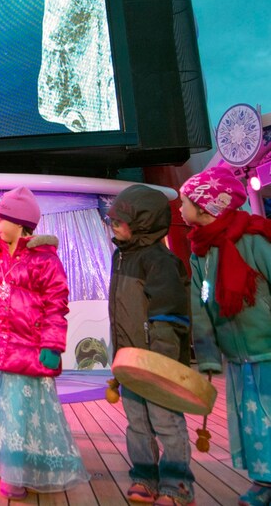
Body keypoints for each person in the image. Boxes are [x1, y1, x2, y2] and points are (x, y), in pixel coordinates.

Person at [0, 186, 88, 499]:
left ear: (21, 223)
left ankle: (19, 471)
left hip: (26, 350)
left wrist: (52, 346)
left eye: (1, 221)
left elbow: (57, 307)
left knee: (19, 411)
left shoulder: (45, 262)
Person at [179, 167, 271, 506]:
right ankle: (264, 481)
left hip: (268, 350)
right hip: (237, 356)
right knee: (252, 421)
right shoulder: (200, 253)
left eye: (185, 201)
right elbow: (201, 304)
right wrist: (206, 353)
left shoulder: (255, 238)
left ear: (205, 207)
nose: (180, 208)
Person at [107, 184, 195, 505]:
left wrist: (162, 365)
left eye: (120, 221)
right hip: (131, 363)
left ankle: (177, 484)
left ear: (143, 222)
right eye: (112, 220)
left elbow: (170, 316)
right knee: (138, 425)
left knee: (167, 424)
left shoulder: (161, 261)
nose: (113, 225)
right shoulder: (122, 255)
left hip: (159, 365)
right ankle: (144, 476)